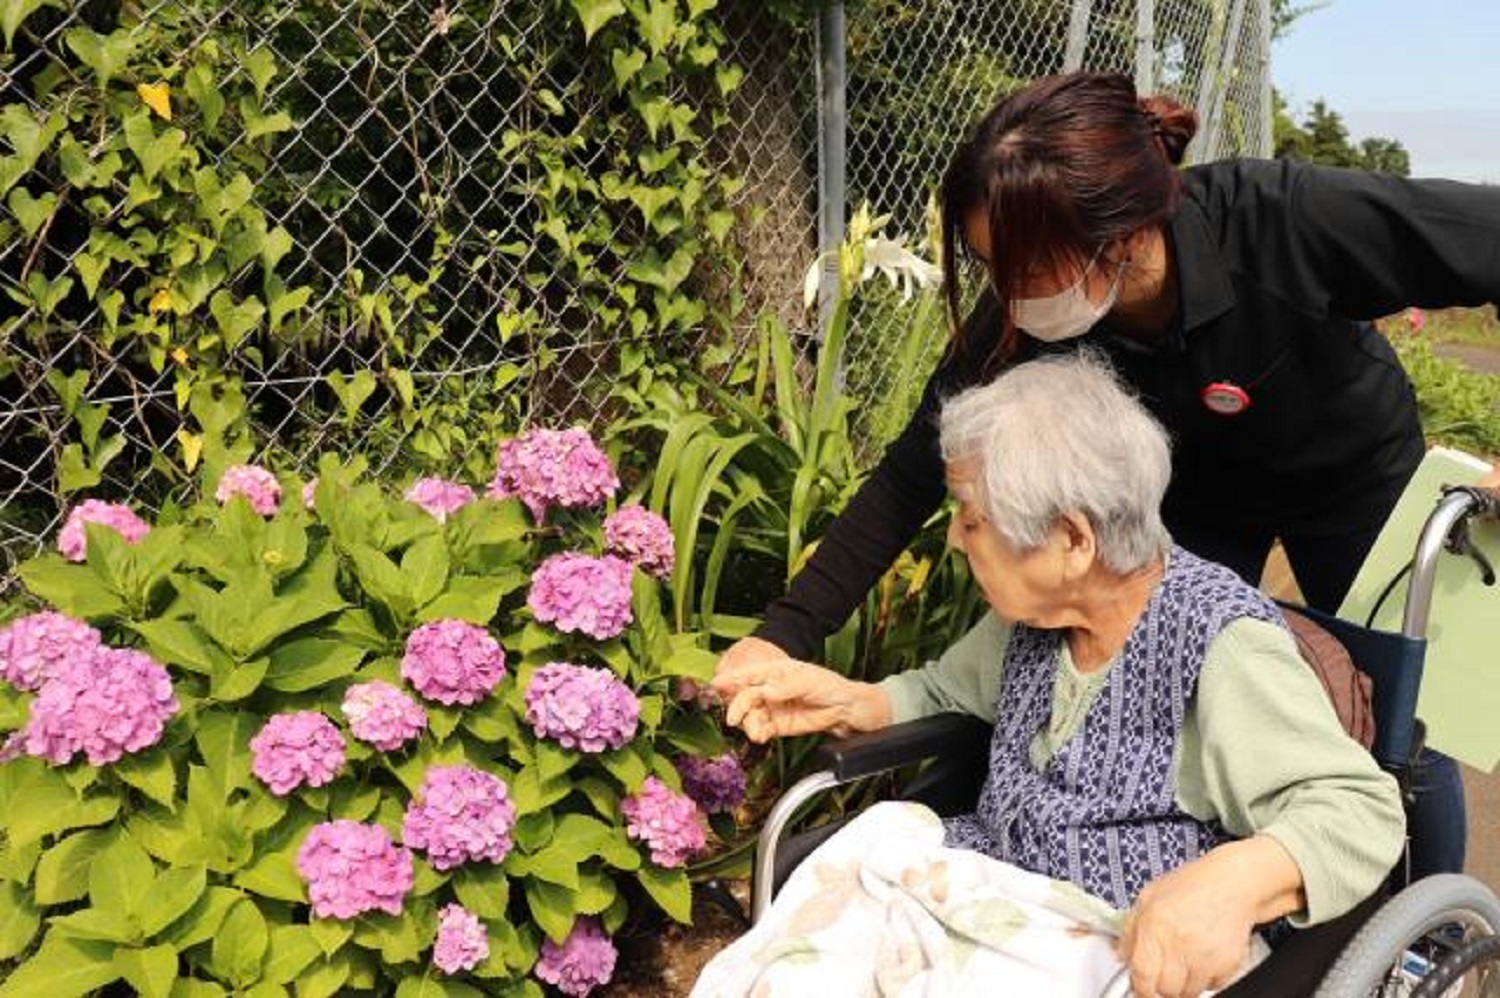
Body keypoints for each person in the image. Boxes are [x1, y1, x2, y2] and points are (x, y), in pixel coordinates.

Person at [718, 71, 1500, 880]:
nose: (1006, 294)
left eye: (1025, 268)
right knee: (1169, 689)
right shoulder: (1026, 314)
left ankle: (1418, 932)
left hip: (1346, 469)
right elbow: (908, 478)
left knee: (1408, 716)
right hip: (1190, 495)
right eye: (991, 266)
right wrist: (781, 636)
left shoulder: (1283, 220)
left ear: (1122, 236)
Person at [701, 354, 1404, 998]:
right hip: (992, 890)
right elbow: (946, 693)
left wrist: (1237, 882)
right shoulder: (1031, 620)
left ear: (1072, 540)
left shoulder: (1223, 647)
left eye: (972, 521)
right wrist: (850, 701)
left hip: (1117, 938)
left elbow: (1360, 811)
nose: (953, 537)